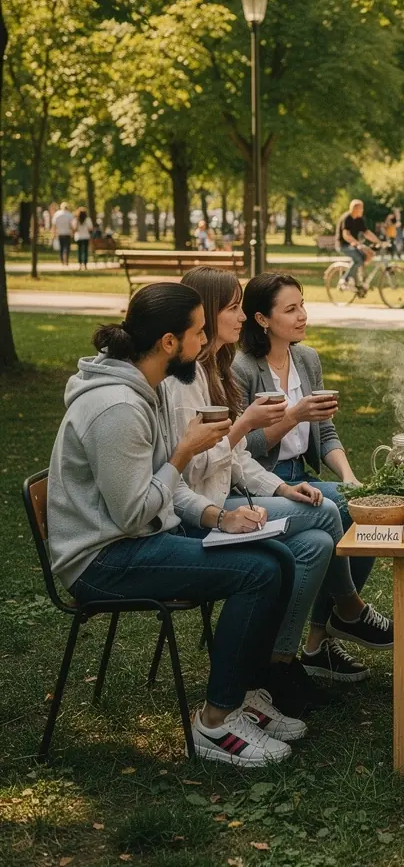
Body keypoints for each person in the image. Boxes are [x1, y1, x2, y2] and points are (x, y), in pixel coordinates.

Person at [47, 282, 302, 766]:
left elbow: (163, 481)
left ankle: (240, 694)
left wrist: (218, 515)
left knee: (278, 556)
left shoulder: (150, 387)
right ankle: (213, 723)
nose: (205, 343)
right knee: (259, 571)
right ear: (169, 342)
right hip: (103, 560)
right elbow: (133, 510)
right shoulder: (118, 408)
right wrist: (185, 452)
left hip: (138, 536)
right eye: (198, 333)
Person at [162, 267, 376, 715]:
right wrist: (263, 425)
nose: (238, 317)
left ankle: (283, 661)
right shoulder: (197, 378)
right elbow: (203, 465)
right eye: (233, 307)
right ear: (202, 313)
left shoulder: (215, 369)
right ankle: (347, 611)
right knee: (328, 514)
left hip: (238, 490)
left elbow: (231, 457)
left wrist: (284, 486)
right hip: (201, 510)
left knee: (320, 540)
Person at [233, 272, 393, 673]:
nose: (302, 315)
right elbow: (241, 450)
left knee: (357, 499)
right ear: (262, 319)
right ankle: (348, 609)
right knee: (337, 507)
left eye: (302, 304)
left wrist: (350, 475)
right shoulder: (241, 369)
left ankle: (320, 637)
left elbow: (325, 430)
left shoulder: (306, 358)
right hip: (260, 482)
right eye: (291, 309)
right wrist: (292, 416)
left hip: (302, 472)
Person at [336, 200, 380, 289]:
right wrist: (358, 243)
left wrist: (378, 241)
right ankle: (344, 279)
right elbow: (346, 235)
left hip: (353, 245)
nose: (362, 211)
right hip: (343, 245)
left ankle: (359, 277)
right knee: (359, 259)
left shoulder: (359, 219)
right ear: (355, 209)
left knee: (370, 254)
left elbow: (366, 232)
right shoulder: (347, 218)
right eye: (361, 209)